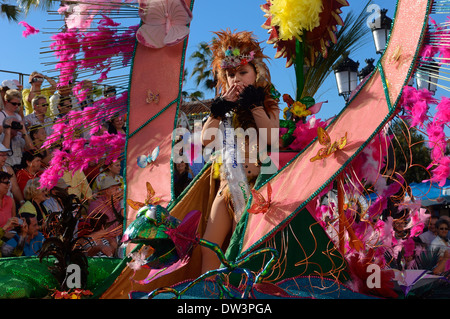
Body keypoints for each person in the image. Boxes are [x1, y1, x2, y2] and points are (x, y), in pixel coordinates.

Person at [200, 30, 279, 272]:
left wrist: (254, 106)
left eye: (243, 72)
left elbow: (271, 137)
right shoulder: (224, 109)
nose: (236, 79)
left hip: (254, 187)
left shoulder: (267, 102)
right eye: (231, 74)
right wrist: (219, 110)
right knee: (208, 246)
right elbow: (206, 139)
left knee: (240, 246)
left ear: (257, 73)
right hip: (226, 185)